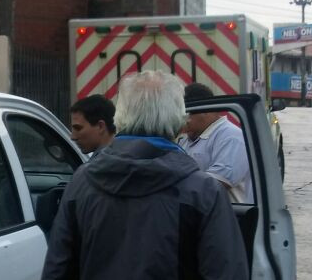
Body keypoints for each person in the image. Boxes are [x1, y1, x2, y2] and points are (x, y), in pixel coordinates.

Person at [42, 71, 248, 280]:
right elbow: (226, 273)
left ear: (120, 116)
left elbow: (58, 269)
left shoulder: (81, 181)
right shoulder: (203, 191)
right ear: (179, 121)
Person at [178, 83, 252, 203]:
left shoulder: (231, 136)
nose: (184, 121)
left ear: (206, 111)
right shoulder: (186, 139)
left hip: (230, 212)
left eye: (187, 114)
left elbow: (216, 183)